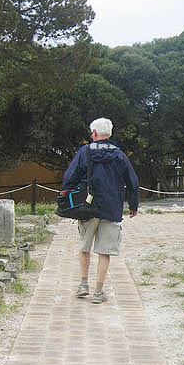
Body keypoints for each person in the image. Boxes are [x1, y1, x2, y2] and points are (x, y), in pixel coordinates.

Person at [62, 117, 139, 303]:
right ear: (109, 133)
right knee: (104, 252)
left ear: (94, 133)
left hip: (87, 208)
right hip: (112, 208)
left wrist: (66, 197)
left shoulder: (84, 152)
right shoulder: (119, 155)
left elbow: (70, 177)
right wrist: (133, 205)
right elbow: (133, 182)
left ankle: (83, 284)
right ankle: (98, 291)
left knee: (84, 247)